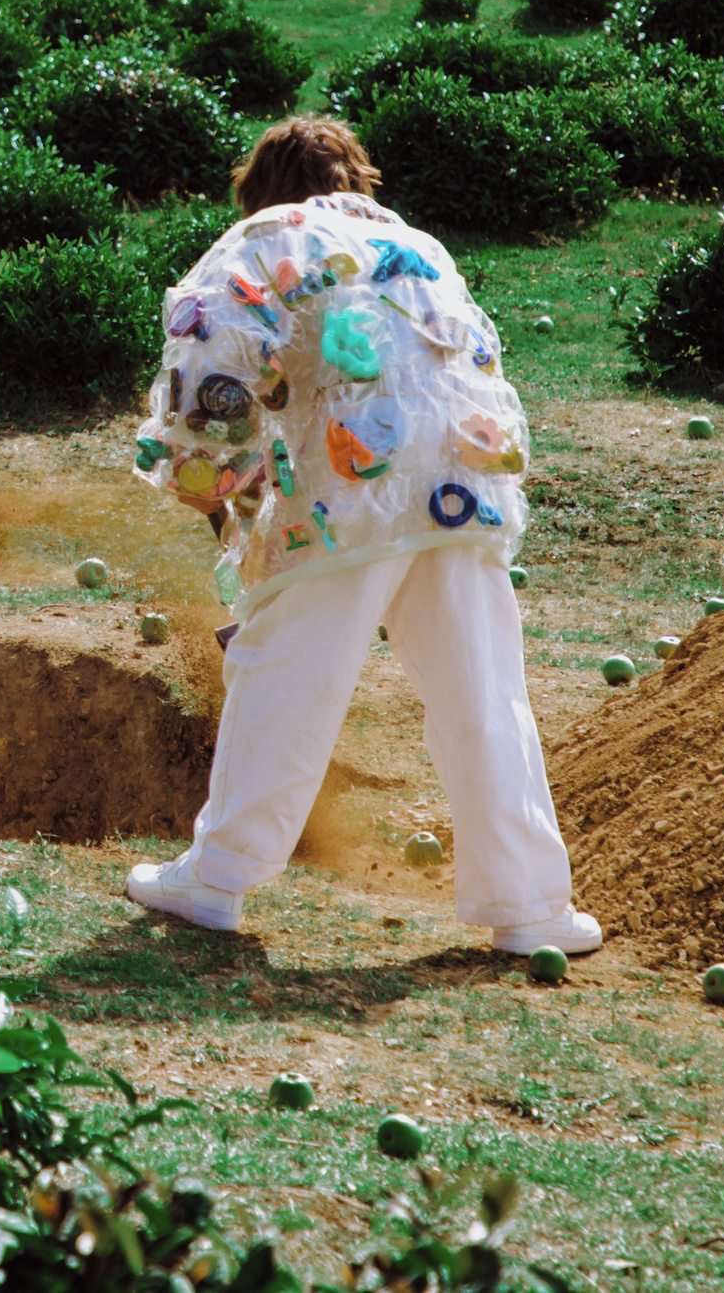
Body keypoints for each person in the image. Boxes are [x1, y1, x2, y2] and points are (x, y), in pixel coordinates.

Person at [124, 116, 600, 958]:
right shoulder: (423, 249)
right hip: (465, 481)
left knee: (287, 668)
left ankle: (218, 875)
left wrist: (208, 476)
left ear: (260, 188)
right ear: (355, 177)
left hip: (351, 491)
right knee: (483, 689)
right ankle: (531, 907)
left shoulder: (269, 236)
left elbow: (213, 356)